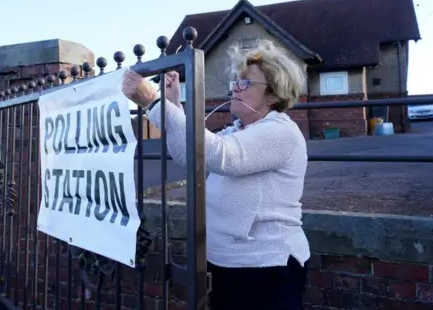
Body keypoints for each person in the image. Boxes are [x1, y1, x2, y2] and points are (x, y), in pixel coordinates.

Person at [122, 39, 309, 310]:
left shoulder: (280, 132)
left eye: (245, 83)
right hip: (228, 263)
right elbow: (190, 154)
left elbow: (222, 155)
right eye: (235, 81)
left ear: (273, 94)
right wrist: (173, 107)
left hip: (265, 266)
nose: (235, 87)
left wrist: (154, 102)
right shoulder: (238, 131)